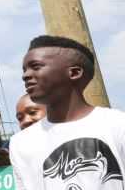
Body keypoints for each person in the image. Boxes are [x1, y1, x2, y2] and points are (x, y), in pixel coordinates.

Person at [10, 35, 125, 189]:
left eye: (36, 66)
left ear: (75, 73)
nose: (25, 75)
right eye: (24, 69)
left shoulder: (117, 125)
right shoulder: (20, 143)